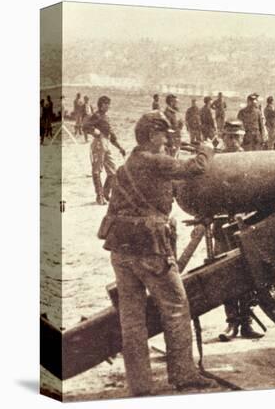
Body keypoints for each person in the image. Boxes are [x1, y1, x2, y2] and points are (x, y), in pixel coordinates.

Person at [98, 111, 218, 395]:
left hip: (121, 249)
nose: (167, 140)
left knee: (132, 318)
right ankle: (184, 375)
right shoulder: (153, 161)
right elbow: (196, 168)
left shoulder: (128, 165)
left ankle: (140, 385)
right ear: (152, 136)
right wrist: (207, 150)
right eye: (164, 135)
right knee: (176, 307)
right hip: (150, 249)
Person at [216, 121, 265, 341]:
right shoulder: (217, 162)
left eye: (236, 136)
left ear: (243, 137)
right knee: (226, 277)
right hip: (222, 228)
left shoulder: (250, 161)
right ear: (223, 137)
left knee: (249, 275)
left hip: (245, 225)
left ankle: (246, 322)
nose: (233, 141)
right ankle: (232, 323)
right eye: (229, 137)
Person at [83, 95, 126, 205]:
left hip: (106, 143)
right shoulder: (96, 115)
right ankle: (99, 196)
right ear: (101, 105)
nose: (108, 106)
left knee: (113, 172)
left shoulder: (106, 117)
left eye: (108, 104)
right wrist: (94, 131)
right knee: (97, 171)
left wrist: (120, 147)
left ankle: (106, 193)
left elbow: (111, 135)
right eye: (106, 104)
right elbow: (85, 126)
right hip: (98, 143)